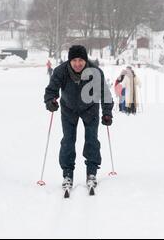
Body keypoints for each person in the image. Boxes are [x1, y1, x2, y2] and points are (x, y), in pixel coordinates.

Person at [44, 45, 114, 191]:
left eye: (80, 60)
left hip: (90, 108)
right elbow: (51, 90)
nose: (77, 63)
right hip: (68, 109)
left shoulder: (95, 72)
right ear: (69, 61)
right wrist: (50, 101)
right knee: (68, 141)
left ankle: (91, 173)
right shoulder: (60, 71)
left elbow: (105, 94)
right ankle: (67, 174)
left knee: (92, 140)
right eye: (74, 60)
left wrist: (107, 113)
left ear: (85, 60)